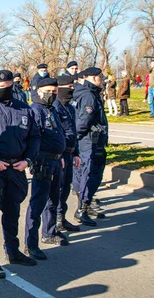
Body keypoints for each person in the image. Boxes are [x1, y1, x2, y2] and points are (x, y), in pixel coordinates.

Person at [0, 70, 41, 278]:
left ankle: (13, 251)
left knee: (12, 214)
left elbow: (34, 137)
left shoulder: (24, 108)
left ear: (12, 85)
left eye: (6, 85)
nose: (2, 89)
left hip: (16, 169)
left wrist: (28, 160)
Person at [24, 78, 67, 260]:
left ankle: (49, 232)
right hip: (43, 161)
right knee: (38, 202)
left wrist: (61, 155)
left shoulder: (52, 110)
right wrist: (34, 161)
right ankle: (30, 243)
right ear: (39, 91)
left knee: (53, 199)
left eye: (55, 91)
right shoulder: (35, 110)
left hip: (56, 161)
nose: (52, 94)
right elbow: (34, 138)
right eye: (49, 91)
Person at [73, 67, 108, 226]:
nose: (103, 79)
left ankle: (86, 206)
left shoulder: (91, 93)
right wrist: (77, 139)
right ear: (93, 78)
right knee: (89, 175)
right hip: (89, 143)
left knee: (93, 175)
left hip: (93, 142)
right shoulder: (88, 95)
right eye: (101, 77)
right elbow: (83, 122)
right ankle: (82, 209)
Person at [54, 76, 81, 233]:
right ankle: (56, 220)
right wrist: (60, 155)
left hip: (70, 154)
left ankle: (62, 218)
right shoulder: (55, 107)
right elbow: (56, 134)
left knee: (65, 189)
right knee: (58, 189)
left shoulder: (70, 108)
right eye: (69, 86)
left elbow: (73, 133)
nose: (72, 89)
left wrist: (76, 153)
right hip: (61, 156)